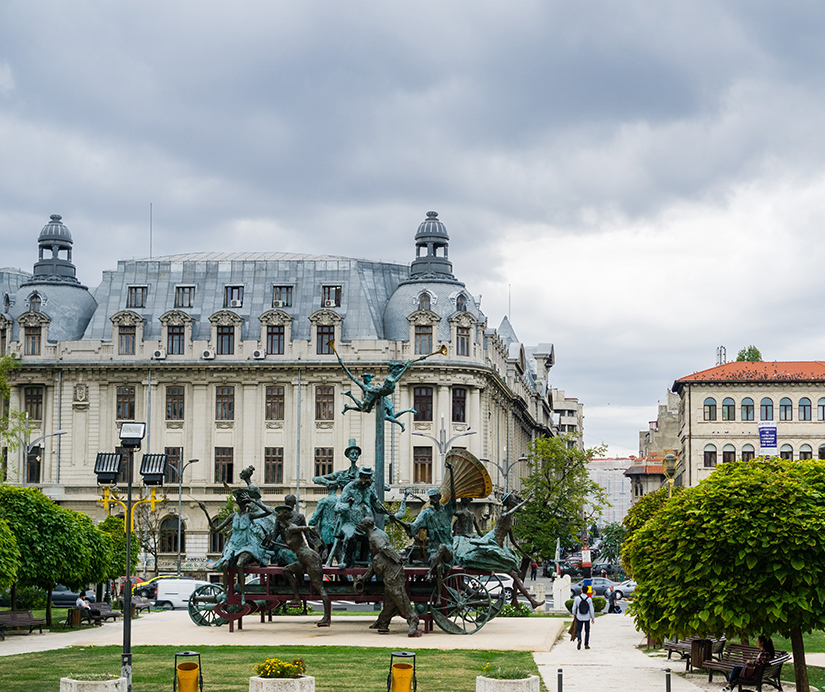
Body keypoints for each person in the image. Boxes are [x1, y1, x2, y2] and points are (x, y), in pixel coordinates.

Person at [355, 516, 421, 637]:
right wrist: (364, 578)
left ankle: (413, 619)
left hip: (392, 571)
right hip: (387, 570)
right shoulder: (376, 534)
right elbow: (375, 559)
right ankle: (383, 621)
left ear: (365, 527)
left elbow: (384, 548)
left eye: (361, 526)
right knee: (391, 599)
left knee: (399, 596)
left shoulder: (375, 536)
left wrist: (398, 558)